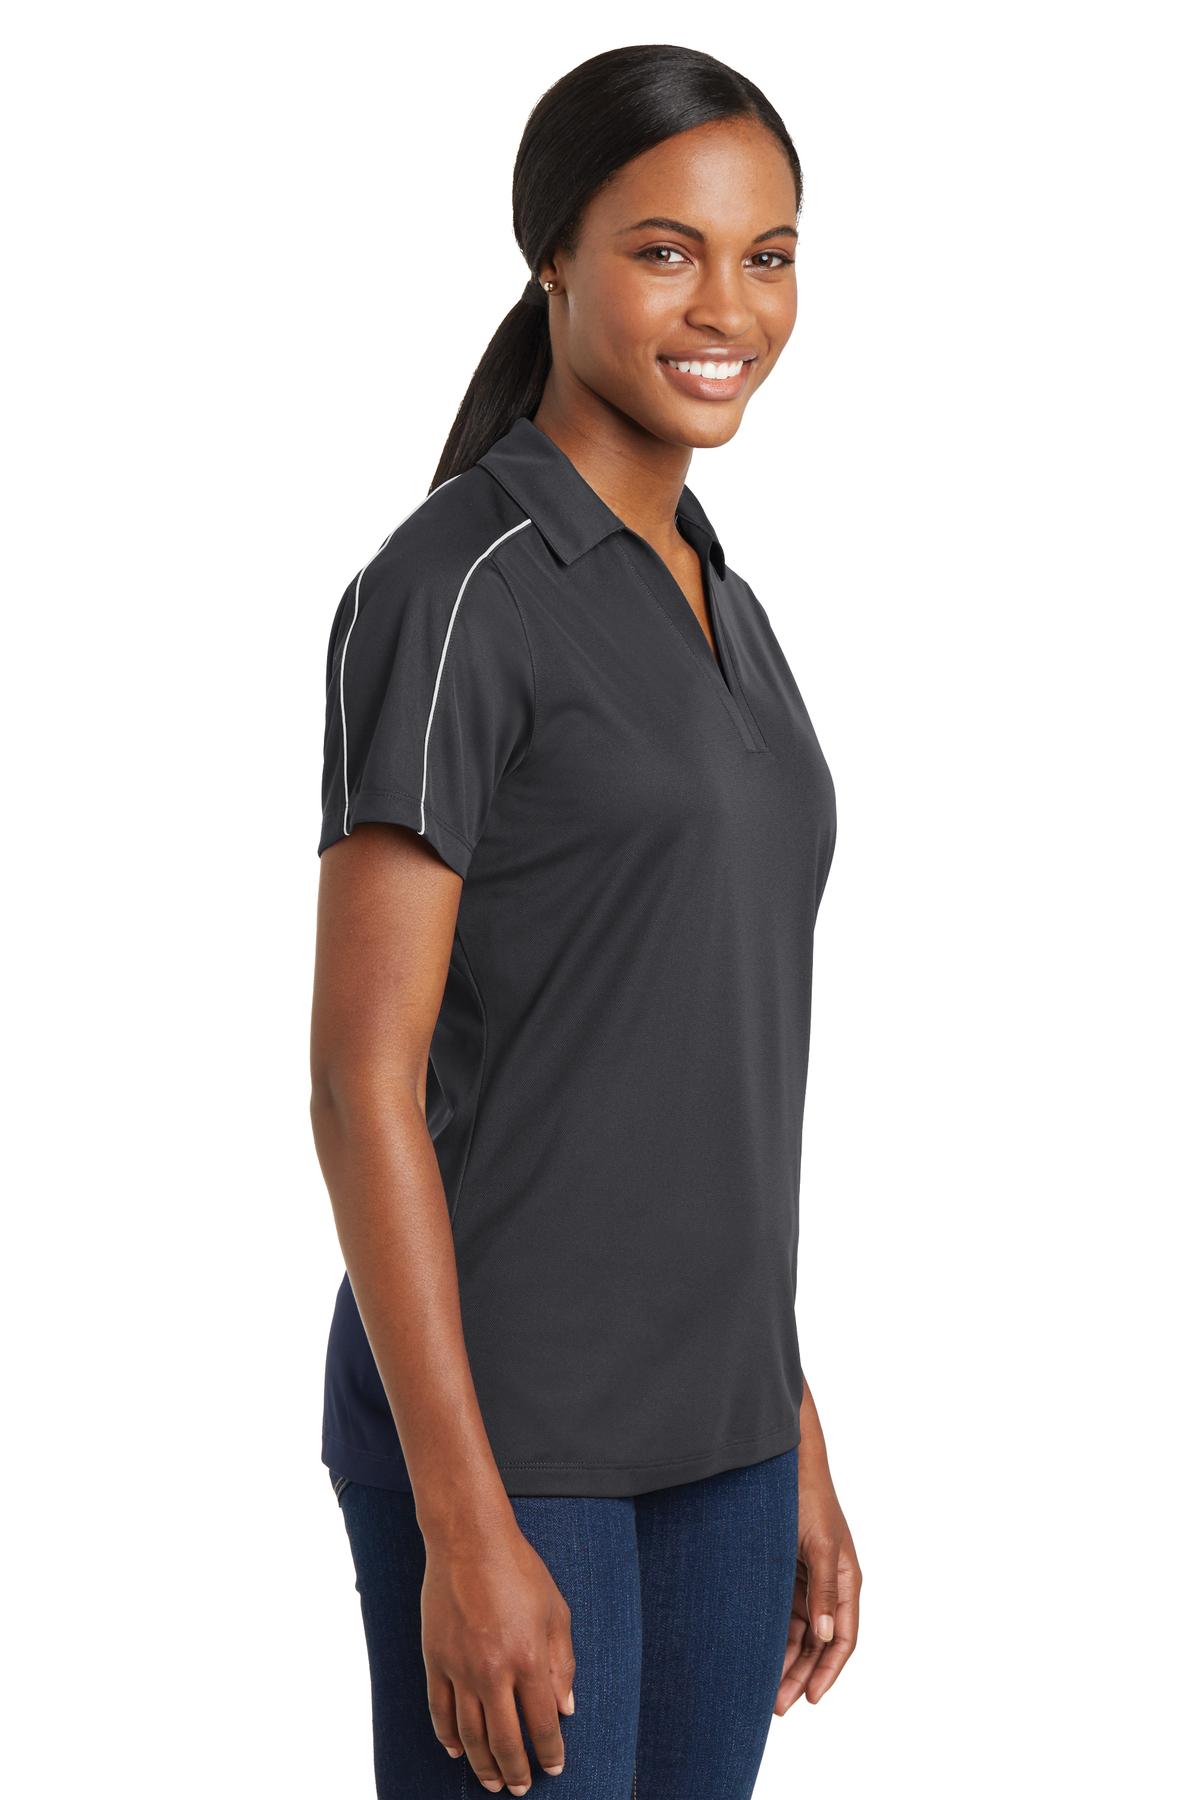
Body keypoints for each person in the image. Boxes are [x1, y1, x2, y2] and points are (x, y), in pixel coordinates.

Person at [309, 42, 862, 1800]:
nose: (728, 308)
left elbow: (704, 1063)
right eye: (665, 250)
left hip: (721, 1439)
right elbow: (361, 1085)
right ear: (552, 258)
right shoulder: (453, 590)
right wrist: (463, 1523)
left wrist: (789, 1422)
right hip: (510, 1433)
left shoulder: (725, 600)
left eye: (768, 256)